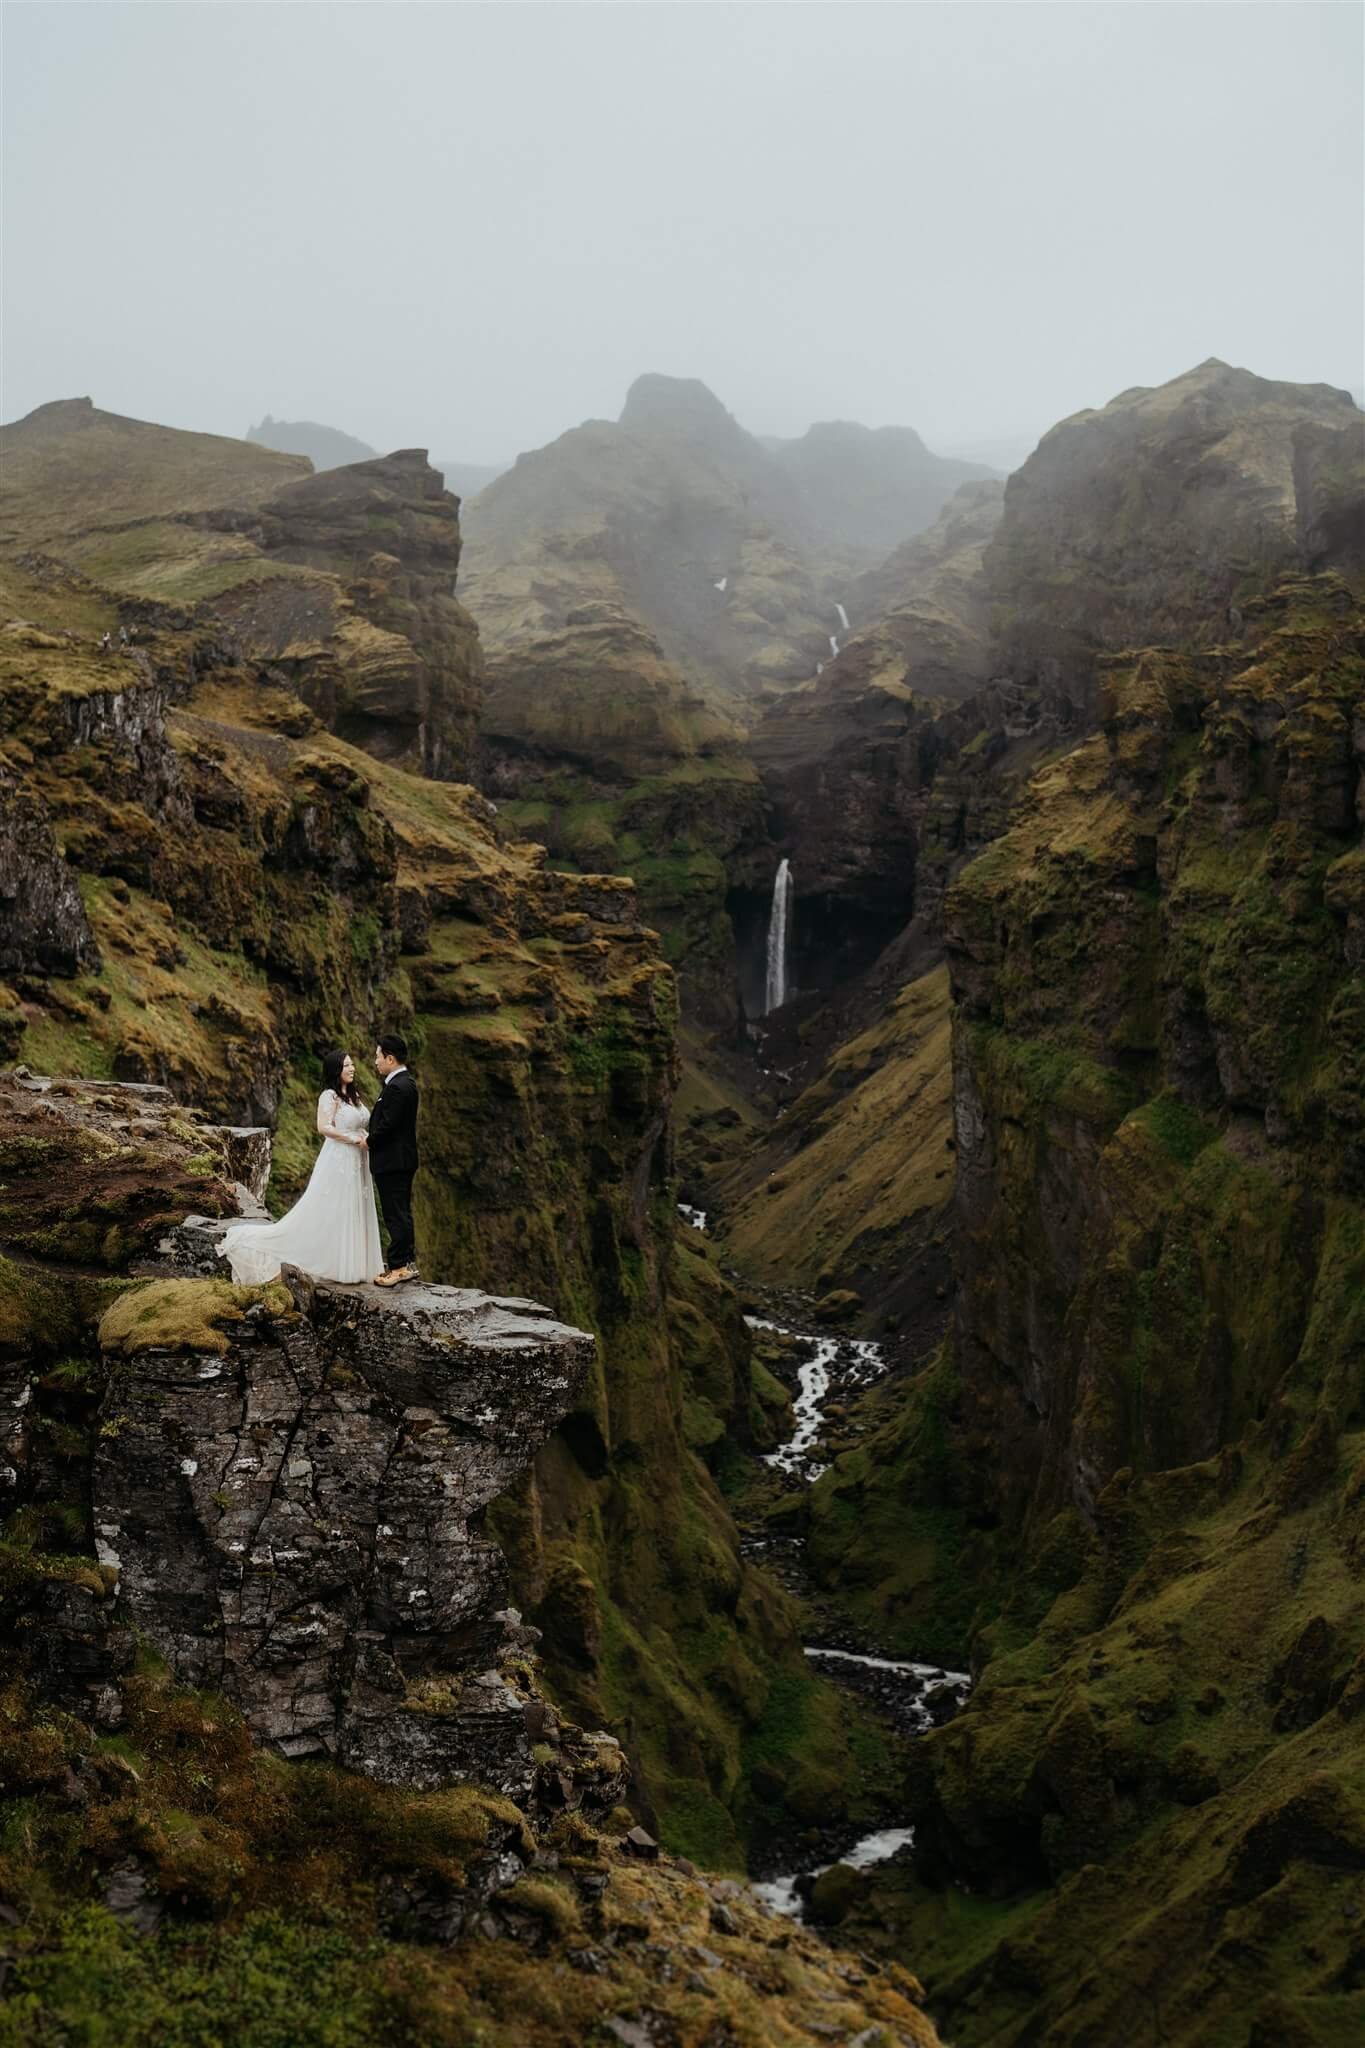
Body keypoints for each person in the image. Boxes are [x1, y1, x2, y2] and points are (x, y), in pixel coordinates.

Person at [217, 1050, 382, 1286]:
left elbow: (358, 1122)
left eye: (352, 1064)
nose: (352, 1068)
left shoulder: (353, 1096)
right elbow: (323, 1127)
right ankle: (334, 1260)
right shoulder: (329, 1096)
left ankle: (352, 1259)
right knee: (337, 1206)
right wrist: (353, 1139)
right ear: (336, 1069)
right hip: (340, 1157)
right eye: (347, 1065)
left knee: (354, 1205)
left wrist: (364, 1136)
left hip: (358, 1158)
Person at [369, 1034, 419, 1287]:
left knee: (395, 1213)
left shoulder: (398, 1087)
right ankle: (406, 1262)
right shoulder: (404, 1083)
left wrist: (369, 1141)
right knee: (402, 1212)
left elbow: (388, 1125)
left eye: (378, 1056)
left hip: (393, 1161)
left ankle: (398, 1266)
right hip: (400, 1160)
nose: (376, 1061)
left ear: (390, 1058)